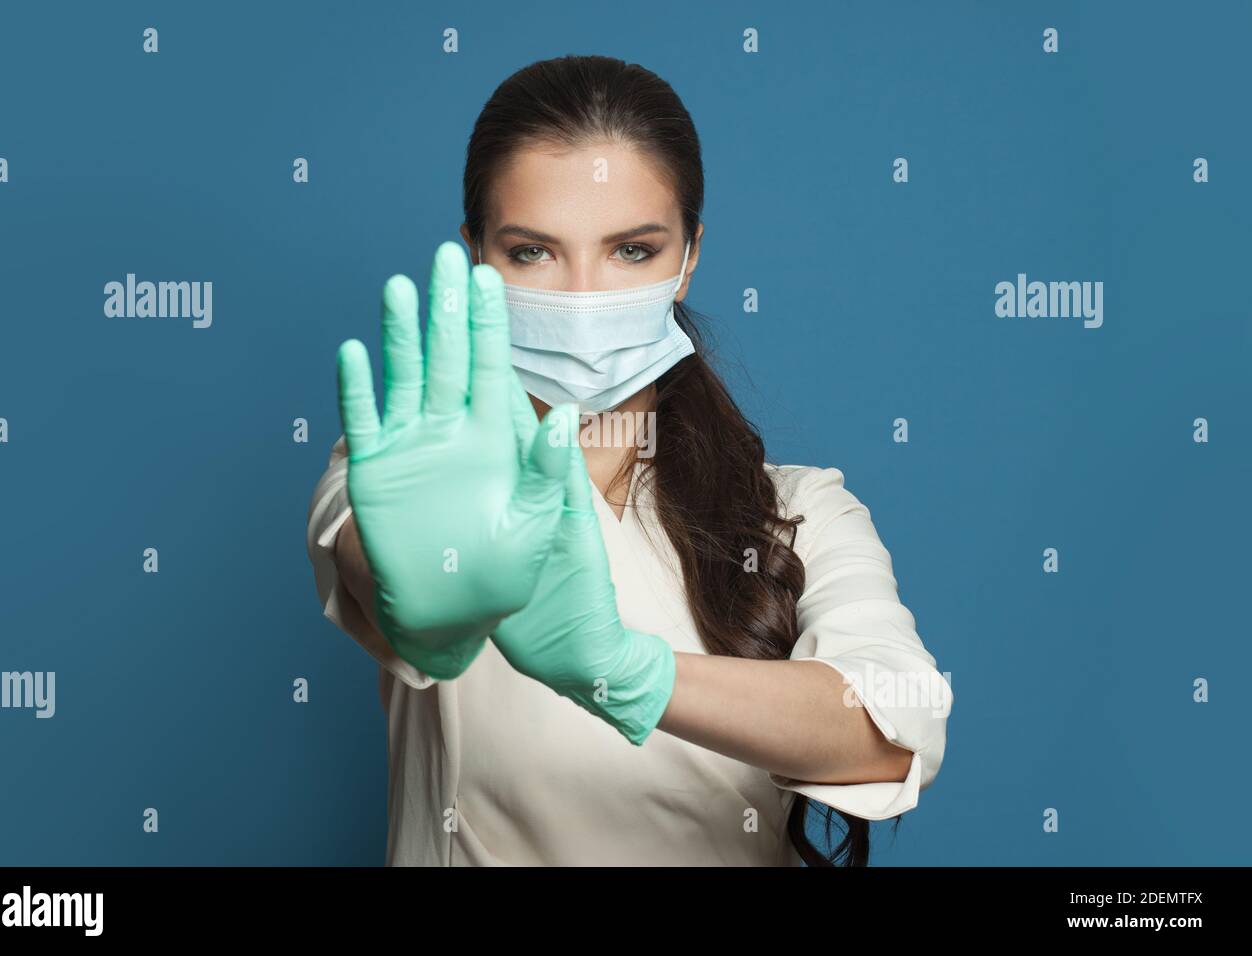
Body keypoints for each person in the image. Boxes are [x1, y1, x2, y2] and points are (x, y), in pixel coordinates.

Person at [305, 54, 952, 866]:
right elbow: (394, 584)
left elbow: (895, 723)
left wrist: (625, 669)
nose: (582, 298)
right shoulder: (408, 473)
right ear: (476, 257)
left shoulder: (800, 512)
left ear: (688, 258)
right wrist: (430, 587)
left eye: (632, 251)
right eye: (533, 252)